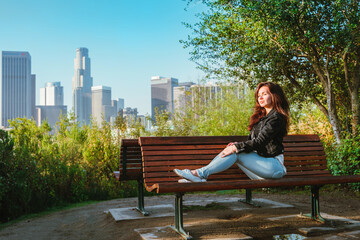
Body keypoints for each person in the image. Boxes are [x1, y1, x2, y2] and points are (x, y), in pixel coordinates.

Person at [174, 82, 290, 182]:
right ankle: (198, 175)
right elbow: (253, 144)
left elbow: (259, 142)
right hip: (262, 166)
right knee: (234, 149)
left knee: (236, 150)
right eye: (259, 95)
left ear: (274, 95)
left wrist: (237, 147)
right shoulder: (262, 118)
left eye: (265, 94)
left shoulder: (276, 118)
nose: (260, 98)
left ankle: (198, 174)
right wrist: (236, 145)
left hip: (274, 167)